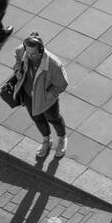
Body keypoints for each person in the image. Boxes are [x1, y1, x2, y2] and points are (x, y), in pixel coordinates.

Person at [11, 32, 68, 160]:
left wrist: (49, 96)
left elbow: (62, 84)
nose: (30, 57)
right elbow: (18, 59)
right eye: (28, 53)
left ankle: (62, 138)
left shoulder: (54, 64)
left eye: (34, 54)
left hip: (46, 100)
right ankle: (46, 139)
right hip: (28, 95)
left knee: (53, 118)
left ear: (41, 50)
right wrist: (17, 70)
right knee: (36, 118)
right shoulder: (22, 51)